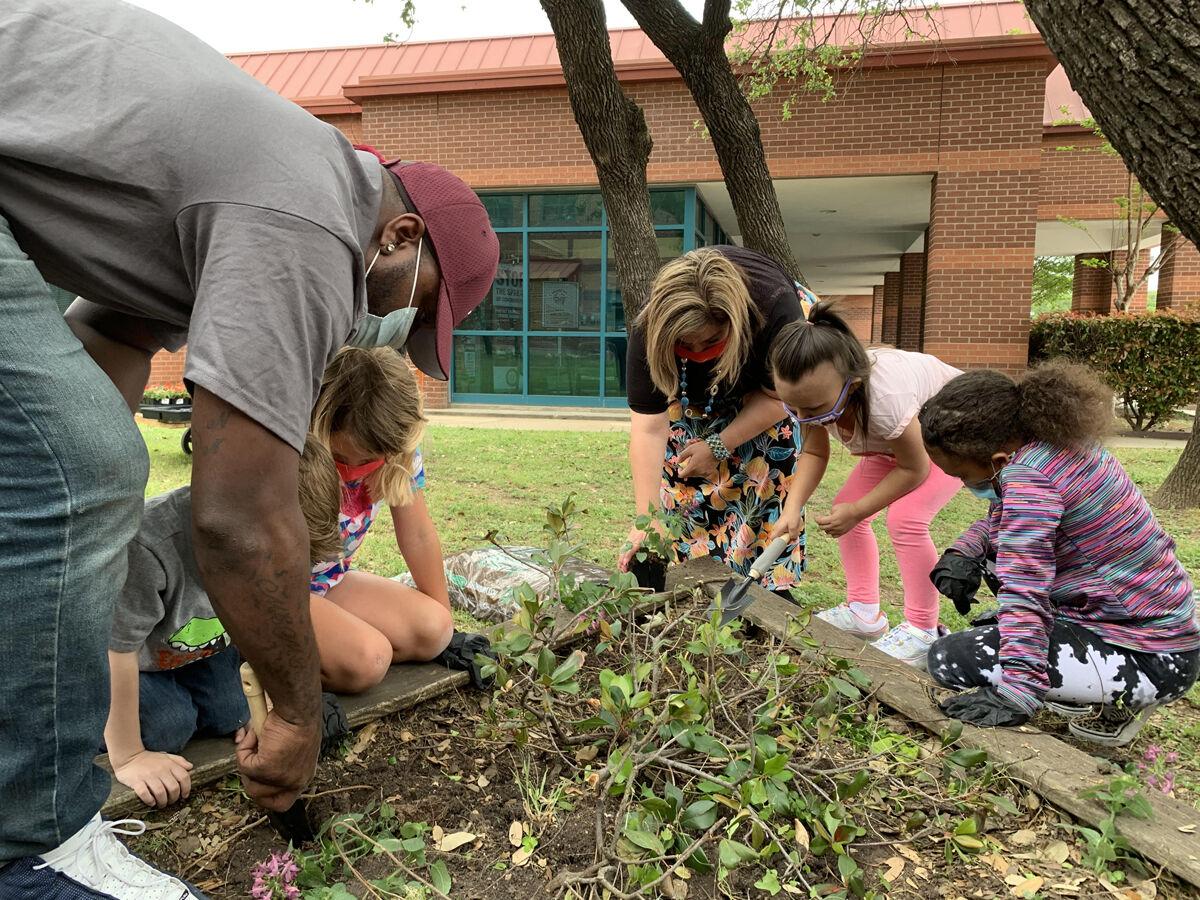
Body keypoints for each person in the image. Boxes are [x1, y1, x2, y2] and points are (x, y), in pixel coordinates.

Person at [0, 1, 498, 894]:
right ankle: (28, 847)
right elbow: (236, 514)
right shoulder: (313, 228)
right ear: (403, 235)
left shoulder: (281, 180)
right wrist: (299, 721)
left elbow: (105, 342)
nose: (394, 326)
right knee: (86, 469)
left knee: (69, 467)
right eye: (418, 306)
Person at [920, 363, 1200, 745]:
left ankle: (1122, 694)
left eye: (961, 475)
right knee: (994, 620)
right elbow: (1004, 521)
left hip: (1153, 654)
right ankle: (1081, 682)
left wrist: (1018, 690)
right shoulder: (1052, 448)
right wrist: (963, 552)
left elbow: (1024, 587)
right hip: (1152, 624)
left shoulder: (1029, 478)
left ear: (999, 460)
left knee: (949, 659)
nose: (964, 484)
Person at [105, 439, 341, 810]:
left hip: (199, 654)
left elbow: (263, 624)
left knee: (233, 711)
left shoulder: (258, 542)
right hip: (133, 663)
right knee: (171, 726)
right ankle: (92, 727)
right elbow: (114, 650)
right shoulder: (149, 547)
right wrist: (130, 756)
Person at [768, 303, 962, 666]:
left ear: (851, 385)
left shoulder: (886, 399)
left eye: (814, 409)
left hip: (950, 437)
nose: (805, 417)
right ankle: (864, 611)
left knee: (906, 518)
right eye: (794, 408)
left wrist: (858, 510)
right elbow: (813, 451)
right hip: (899, 441)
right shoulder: (810, 395)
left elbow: (914, 468)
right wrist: (792, 509)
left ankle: (924, 629)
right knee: (846, 507)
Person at [618, 247, 810, 593]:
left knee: (763, 470)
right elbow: (649, 427)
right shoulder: (648, 328)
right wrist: (647, 519)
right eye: (684, 344)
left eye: (708, 341)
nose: (697, 351)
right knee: (681, 474)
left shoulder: (776, 312)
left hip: (767, 388)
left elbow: (779, 399)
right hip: (693, 392)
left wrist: (721, 444)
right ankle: (691, 578)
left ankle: (761, 587)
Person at [308, 348, 455, 693]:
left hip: (328, 581)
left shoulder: (395, 450)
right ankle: (249, 658)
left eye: (371, 461)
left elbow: (417, 535)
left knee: (436, 628)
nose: (357, 473)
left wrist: (450, 632)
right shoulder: (296, 452)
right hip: (276, 591)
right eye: (343, 459)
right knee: (368, 660)